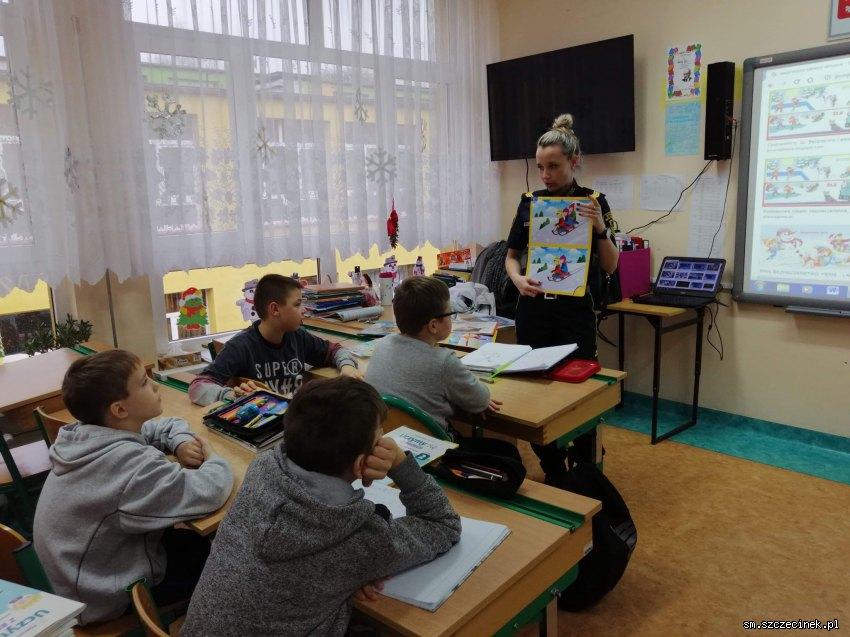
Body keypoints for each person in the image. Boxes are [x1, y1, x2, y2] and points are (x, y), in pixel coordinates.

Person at [180, 376, 462, 636]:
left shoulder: (262, 470)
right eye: (379, 439)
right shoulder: (360, 539)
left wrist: (345, 579)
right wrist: (399, 463)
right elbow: (443, 523)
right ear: (361, 463)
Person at [33, 350, 234, 625]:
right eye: (143, 382)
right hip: (100, 599)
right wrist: (212, 456)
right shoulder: (128, 468)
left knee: (198, 540)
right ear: (119, 410)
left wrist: (180, 443)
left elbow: (164, 426)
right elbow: (209, 490)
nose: (155, 385)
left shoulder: (88, 435)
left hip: (77, 576)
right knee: (225, 560)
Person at [504, 113, 618, 485]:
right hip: (534, 313)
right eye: (540, 167)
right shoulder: (529, 202)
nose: (545, 175)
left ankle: (584, 470)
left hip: (575, 316)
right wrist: (518, 279)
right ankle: (553, 467)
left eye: (553, 166)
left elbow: (612, 265)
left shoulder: (594, 202)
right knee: (535, 393)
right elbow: (511, 257)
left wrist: (599, 228)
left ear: (574, 161)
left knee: (581, 394)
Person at [189, 274, 360, 405]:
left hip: (296, 417)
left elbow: (335, 350)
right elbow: (197, 386)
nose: (304, 310)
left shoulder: (297, 336)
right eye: (297, 304)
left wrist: (347, 367)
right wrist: (230, 395)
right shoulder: (241, 346)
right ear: (275, 309)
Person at [366, 276, 500, 436]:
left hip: (386, 439)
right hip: (431, 446)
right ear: (434, 325)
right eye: (450, 313)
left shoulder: (382, 344)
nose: (452, 318)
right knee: (508, 451)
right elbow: (481, 400)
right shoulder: (444, 362)